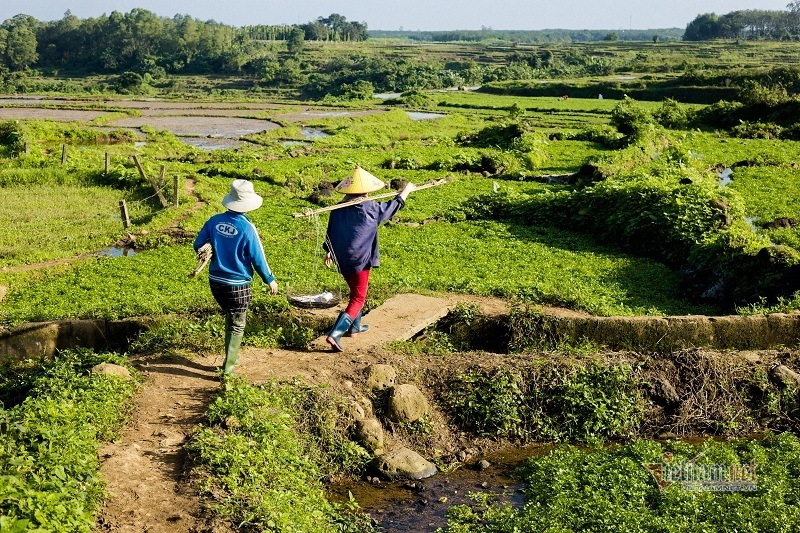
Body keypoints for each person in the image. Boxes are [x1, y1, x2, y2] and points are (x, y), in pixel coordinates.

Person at [323, 166, 415, 352]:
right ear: (366, 190)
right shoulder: (371, 208)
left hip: (341, 258)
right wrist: (406, 191)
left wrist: (329, 251)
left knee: (355, 291)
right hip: (359, 260)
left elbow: (330, 233)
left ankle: (355, 328)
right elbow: (392, 207)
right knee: (359, 297)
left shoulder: (337, 209)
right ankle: (335, 333)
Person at [193, 179, 278, 374]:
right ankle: (229, 367)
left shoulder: (213, 221)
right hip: (237, 285)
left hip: (216, 282)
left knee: (230, 318)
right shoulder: (247, 228)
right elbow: (258, 258)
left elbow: (198, 244)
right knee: (237, 324)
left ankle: (230, 358)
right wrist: (269, 279)